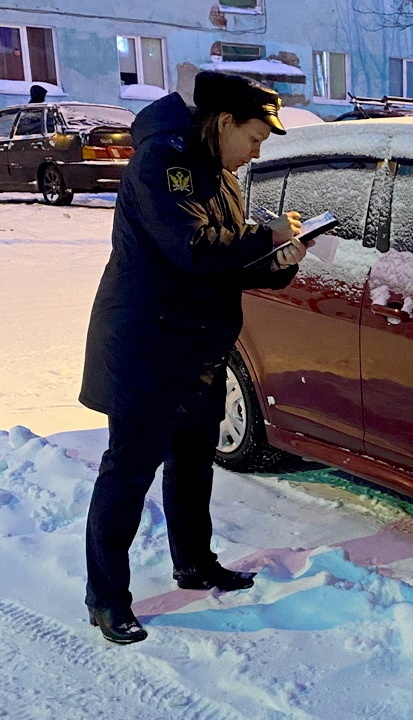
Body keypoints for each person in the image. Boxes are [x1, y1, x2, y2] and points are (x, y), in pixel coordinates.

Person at [80, 71, 307, 644]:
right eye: (254, 139)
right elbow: (192, 249)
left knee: (192, 464)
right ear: (224, 122)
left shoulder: (220, 173)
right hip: (147, 348)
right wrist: (266, 236)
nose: (256, 153)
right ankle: (106, 597)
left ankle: (195, 563)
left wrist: (279, 259)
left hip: (198, 347)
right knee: (128, 473)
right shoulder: (162, 162)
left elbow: (226, 260)